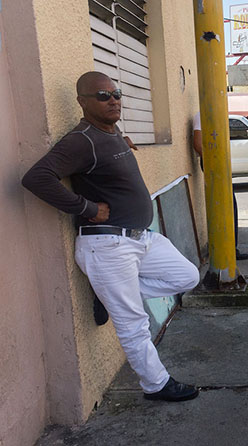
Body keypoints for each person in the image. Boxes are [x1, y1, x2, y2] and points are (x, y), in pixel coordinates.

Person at [22, 71, 200, 402]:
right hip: (108, 245)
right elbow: (36, 178)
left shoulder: (111, 131)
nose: (113, 99)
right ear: (82, 102)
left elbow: (109, 154)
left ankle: (112, 296)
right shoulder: (81, 140)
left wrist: (124, 142)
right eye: (103, 96)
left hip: (140, 239)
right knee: (134, 324)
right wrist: (85, 206)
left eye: (116, 93)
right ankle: (156, 384)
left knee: (187, 276)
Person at [192, 112, 248, 260]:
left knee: (229, 205)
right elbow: (197, 142)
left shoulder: (215, 114)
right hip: (213, 164)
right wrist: (212, 163)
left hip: (218, 163)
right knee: (226, 205)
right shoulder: (203, 115)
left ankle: (230, 248)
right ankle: (226, 250)